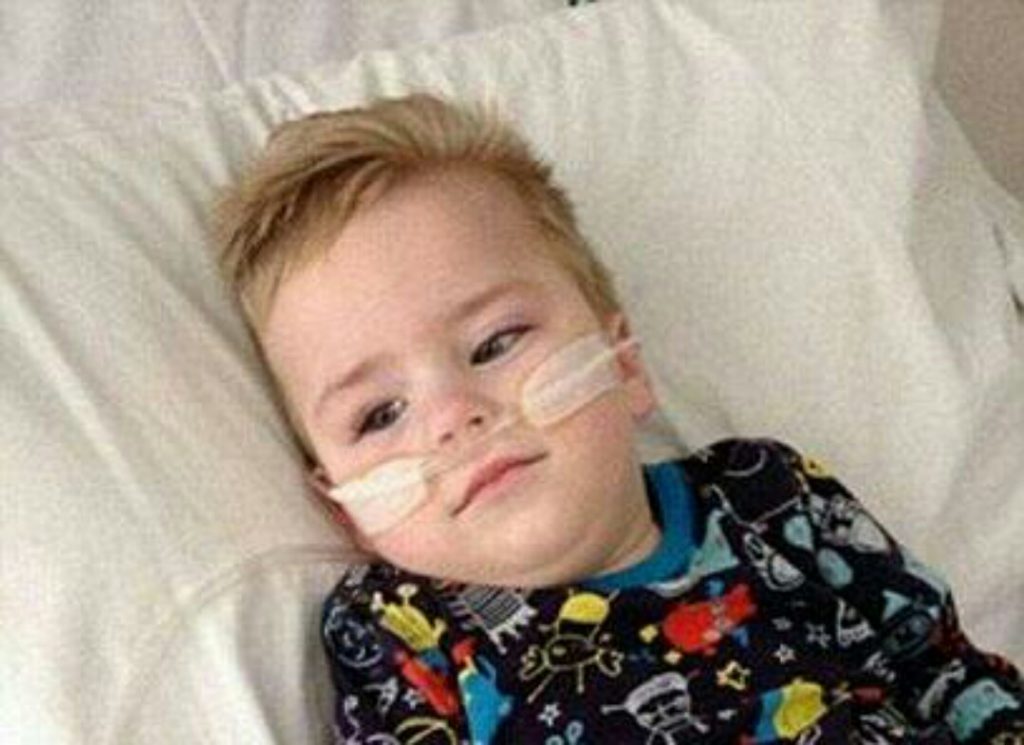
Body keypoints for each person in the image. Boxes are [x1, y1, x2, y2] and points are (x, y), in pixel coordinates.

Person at [215, 93, 1023, 743]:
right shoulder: (403, 636)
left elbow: (948, 674)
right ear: (343, 507)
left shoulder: (772, 497)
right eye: (379, 414)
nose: (455, 416)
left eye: (495, 343)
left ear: (624, 364)